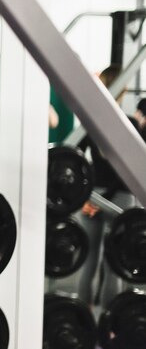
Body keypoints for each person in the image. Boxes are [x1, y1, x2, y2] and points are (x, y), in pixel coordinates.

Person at [77, 64, 139, 307]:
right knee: (113, 266)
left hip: (95, 196)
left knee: (88, 262)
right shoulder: (130, 124)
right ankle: (107, 328)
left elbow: (75, 159)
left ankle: (81, 324)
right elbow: (128, 173)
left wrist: (86, 196)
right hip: (119, 199)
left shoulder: (89, 123)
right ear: (122, 90)